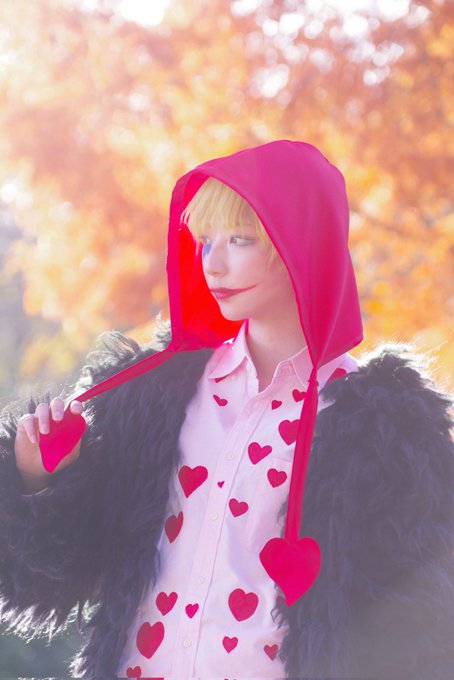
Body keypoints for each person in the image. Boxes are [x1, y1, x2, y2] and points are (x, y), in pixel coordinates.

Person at [0, 140, 453, 680]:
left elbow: (415, 628)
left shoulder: (388, 432)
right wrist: (39, 480)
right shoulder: (152, 396)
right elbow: (63, 572)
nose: (212, 264)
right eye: (205, 241)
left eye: (240, 240)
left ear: (300, 242)